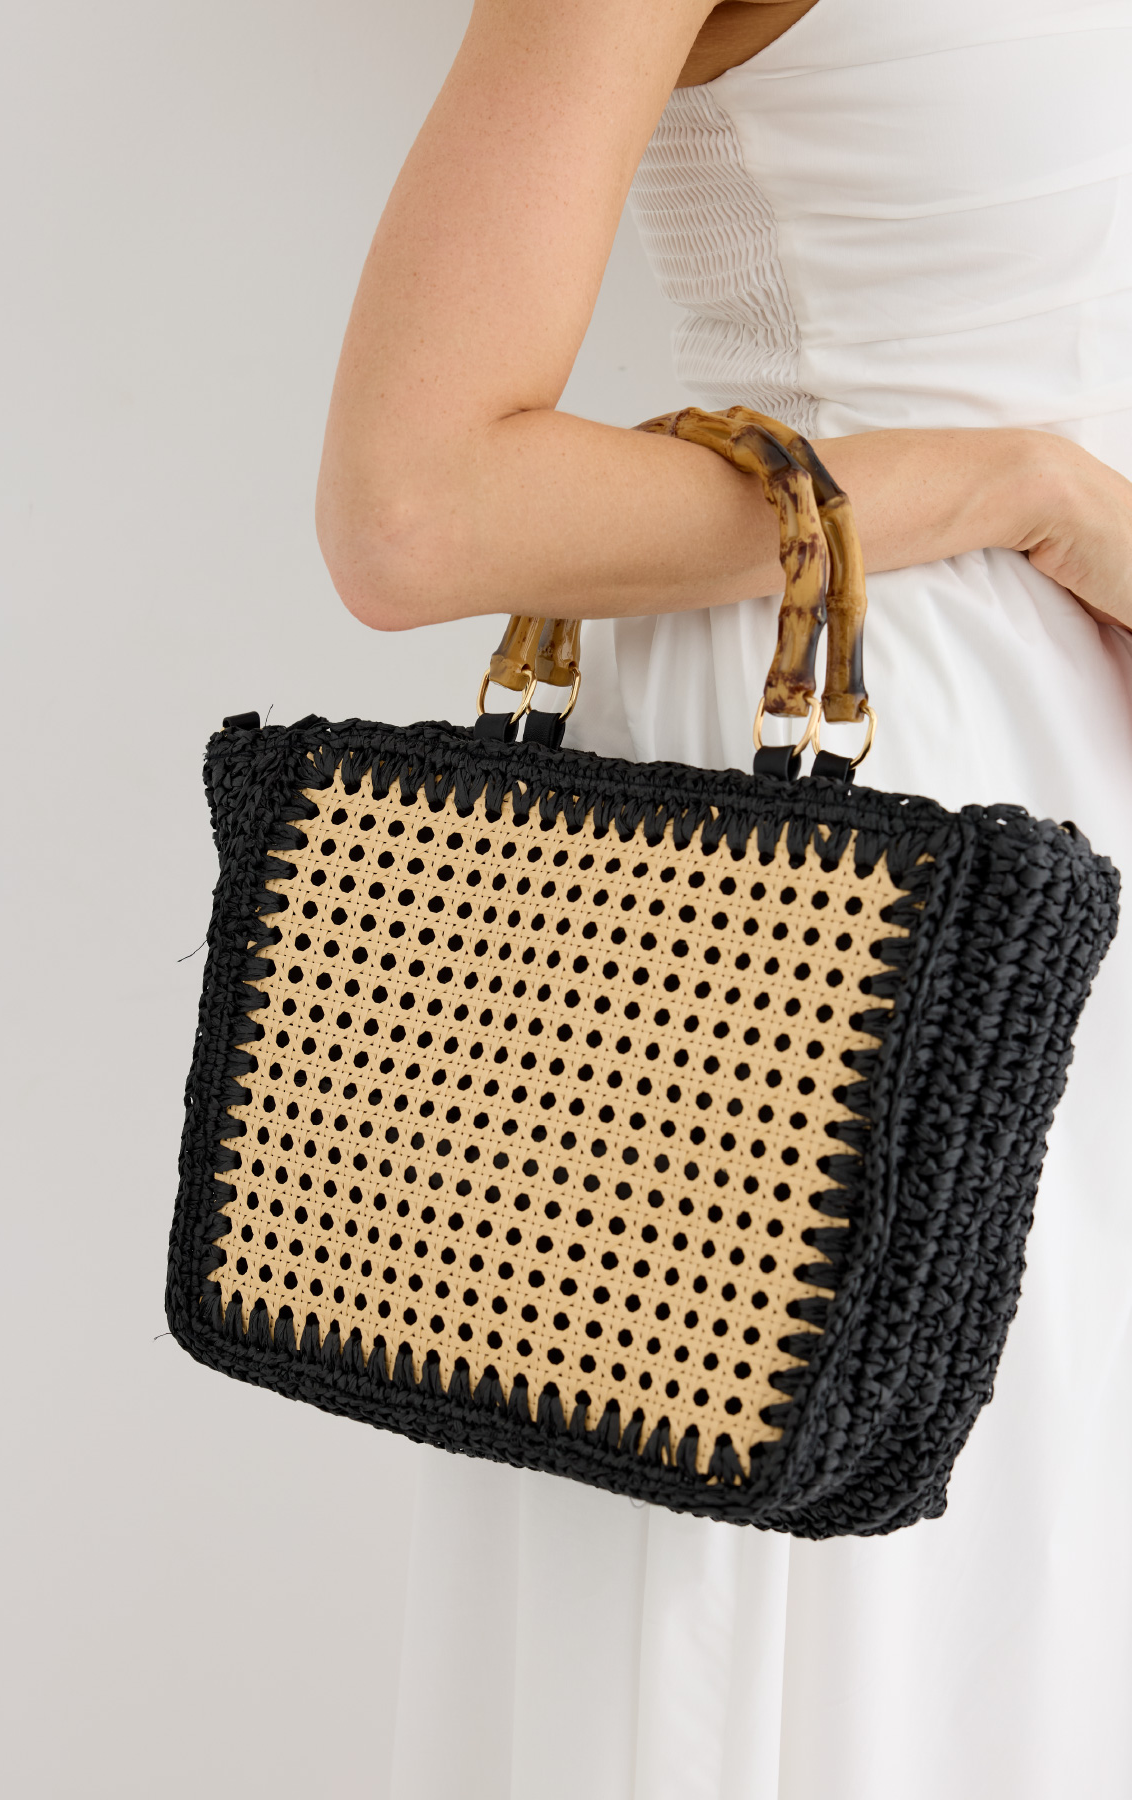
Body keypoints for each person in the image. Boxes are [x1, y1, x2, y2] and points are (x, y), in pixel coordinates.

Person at [318, 4, 1132, 1796]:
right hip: (846, 810)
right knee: (817, 1555)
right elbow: (417, 507)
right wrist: (1019, 484)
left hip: (1061, 764)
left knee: (1036, 1585)